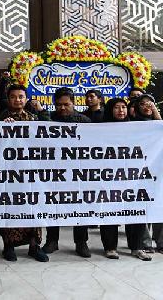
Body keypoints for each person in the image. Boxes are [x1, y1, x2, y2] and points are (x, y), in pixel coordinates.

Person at [0, 84, 49, 262]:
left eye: (21, 96)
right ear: (8, 99)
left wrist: (42, 113)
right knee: (11, 207)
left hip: (31, 172)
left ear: (26, 99)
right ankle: (8, 246)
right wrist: (2, 127)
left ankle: (34, 246)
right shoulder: (1, 118)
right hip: (9, 173)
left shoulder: (34, 119)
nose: (17, 100)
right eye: (13, 97)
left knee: (33, 206)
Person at [42, 87, 92, 258]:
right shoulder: (49, 119)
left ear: (74, 103)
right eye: (58, 105)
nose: (62, 108)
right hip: (54, 171)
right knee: (53, 204)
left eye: (66, 104)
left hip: (78, 171)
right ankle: (52, 240)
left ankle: (81, 242)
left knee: (79, 206)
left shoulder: (85, 121)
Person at [100, 98, 151, 261]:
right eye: (116, 107)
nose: (121, 110)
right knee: (110, 212)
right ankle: (110, 247)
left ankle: (137, 247)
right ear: (110, 110)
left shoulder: (135, 126)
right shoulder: (99, 129)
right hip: (109, 178)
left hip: (133, 177)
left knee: (136, 211)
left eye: (123, 107)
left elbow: (157, 128)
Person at [130, 94, 163, 254]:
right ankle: (145, 243)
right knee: (142, 207)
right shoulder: (133, 124)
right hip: (140, 173)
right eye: (143, 104)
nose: (147, 106)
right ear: (137, 107)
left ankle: (161, 242)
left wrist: (155, 110)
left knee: (159, 205)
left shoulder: (158, 124)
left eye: (150, 103)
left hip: (158, 172)